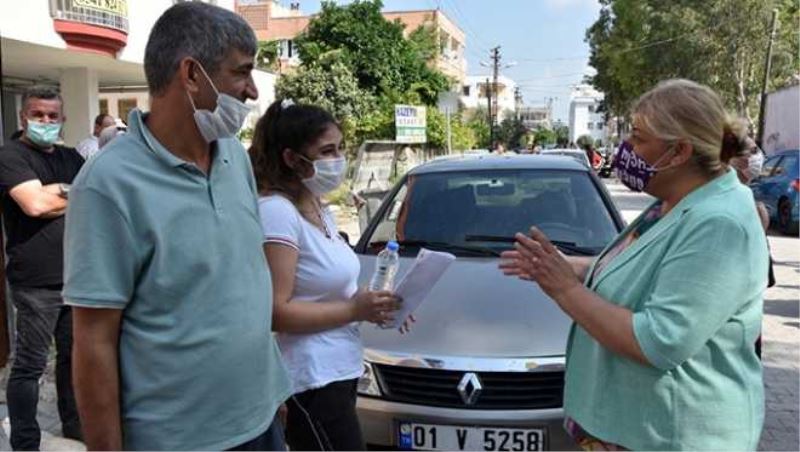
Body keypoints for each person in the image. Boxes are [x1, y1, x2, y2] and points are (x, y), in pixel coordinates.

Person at [63, 3, 291, 450]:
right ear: (190, 74)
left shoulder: (232, 156)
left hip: (261, 422)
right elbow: (93, 340)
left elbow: (242, 279)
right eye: (241, 73)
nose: (251, 92)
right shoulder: (109, 184)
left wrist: (270, 388)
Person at [500, 79, 768, 450]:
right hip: (630, 428)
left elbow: (659, 340)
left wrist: (565, 288)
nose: (626, 148)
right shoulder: (675, 202)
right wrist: (570, 267)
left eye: (639, 138)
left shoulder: (718, 222)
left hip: (671, 436)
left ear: (678, 152)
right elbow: (643, 268)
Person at [250, 100, 401, 451]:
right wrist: (355, 310)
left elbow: (331, 292)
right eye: (327, 151)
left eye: (340, 148)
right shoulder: (277, 213)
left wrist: (376, 304)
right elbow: (275, 311)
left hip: (340, 371)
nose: (338, 159)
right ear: (292, 159)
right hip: (310, 379)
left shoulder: (319, 207)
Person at [0, 85, 83, 450]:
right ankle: (25, 442)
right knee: (30, 366)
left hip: (77, 278)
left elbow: (96, 196)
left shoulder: (71, 158)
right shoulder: (10, 155)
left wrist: (59, 192)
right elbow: (33, 204)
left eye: (52, 116)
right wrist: (73, 193)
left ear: (62, 119)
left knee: (73, 363)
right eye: (38, 115)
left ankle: (75, 429)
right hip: (35, 284)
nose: (45, 122)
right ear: (23, 117)